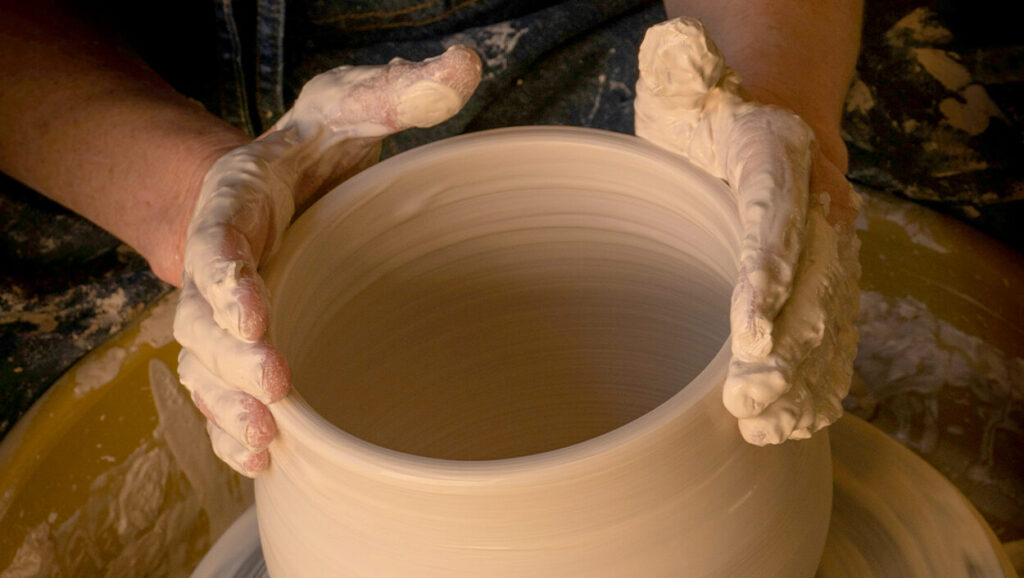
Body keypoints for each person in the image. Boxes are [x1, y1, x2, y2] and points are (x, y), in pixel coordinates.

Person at [0, 0, 864, 475]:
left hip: (586, 24)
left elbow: (751, 90)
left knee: (801, 254)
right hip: (81, 94)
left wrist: (763, 92)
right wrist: (186, 191)